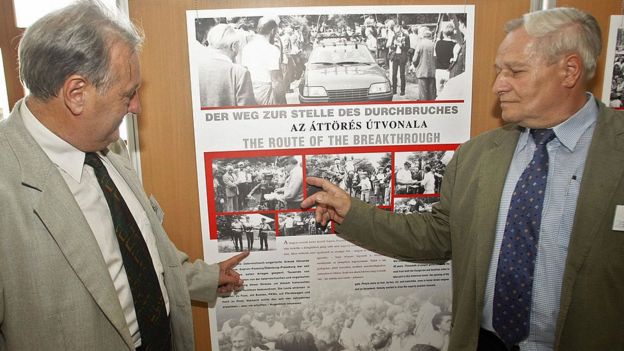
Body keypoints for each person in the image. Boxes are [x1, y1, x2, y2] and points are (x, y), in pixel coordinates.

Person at [302, 7, 622, 351]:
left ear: (569, 71)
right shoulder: (478, 155)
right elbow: (438, 235)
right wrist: (352, 211)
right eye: (499, 70)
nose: (498, 85)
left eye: (515, 71)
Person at [0, 1, 249, 350]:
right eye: (128, 94)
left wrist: (202, 277)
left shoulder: (107, 146)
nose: (137, 107)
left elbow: (138, 251)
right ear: (76, 94)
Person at [197, 23, 256, 107]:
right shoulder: (240, 73)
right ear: (234, 46)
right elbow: (247, 112)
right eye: (238, 44)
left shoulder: (197, 68)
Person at [241, 16, 285, 105]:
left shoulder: (247, 48)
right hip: (266, 93)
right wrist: (282, 102)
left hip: (250, 93)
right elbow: (275, 80)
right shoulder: (272, 49)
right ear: (272, 31)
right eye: (276, 32)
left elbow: (244, 72)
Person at [412, 27, 436, 101]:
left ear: (423, 36)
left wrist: (415, 65)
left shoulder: (420, 44)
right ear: (430, 36)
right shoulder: (434, 44)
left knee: (423, 95)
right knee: (432, 94)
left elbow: (415, 59)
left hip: (422, 72)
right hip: (432, 72)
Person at [434, 22, 456, 94]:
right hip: (448, 70)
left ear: (443, 32)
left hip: (439, 70)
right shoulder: (454, 45)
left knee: (439, 93)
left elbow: (436, 55)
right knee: (448, 93)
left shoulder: (438, 43)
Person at [389, 24, 411, 96]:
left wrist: (402, 46)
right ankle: (394, 90)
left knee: (402, 74)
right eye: (396, 32)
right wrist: (394, 45)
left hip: (402, 56)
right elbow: (391, 47)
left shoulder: (406, 36)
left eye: (398, 32)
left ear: (401, 29)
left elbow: (408, 47)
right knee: (394, 74)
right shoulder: (394, 36)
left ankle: (402, 90)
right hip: (395, 56)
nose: (397, 33)